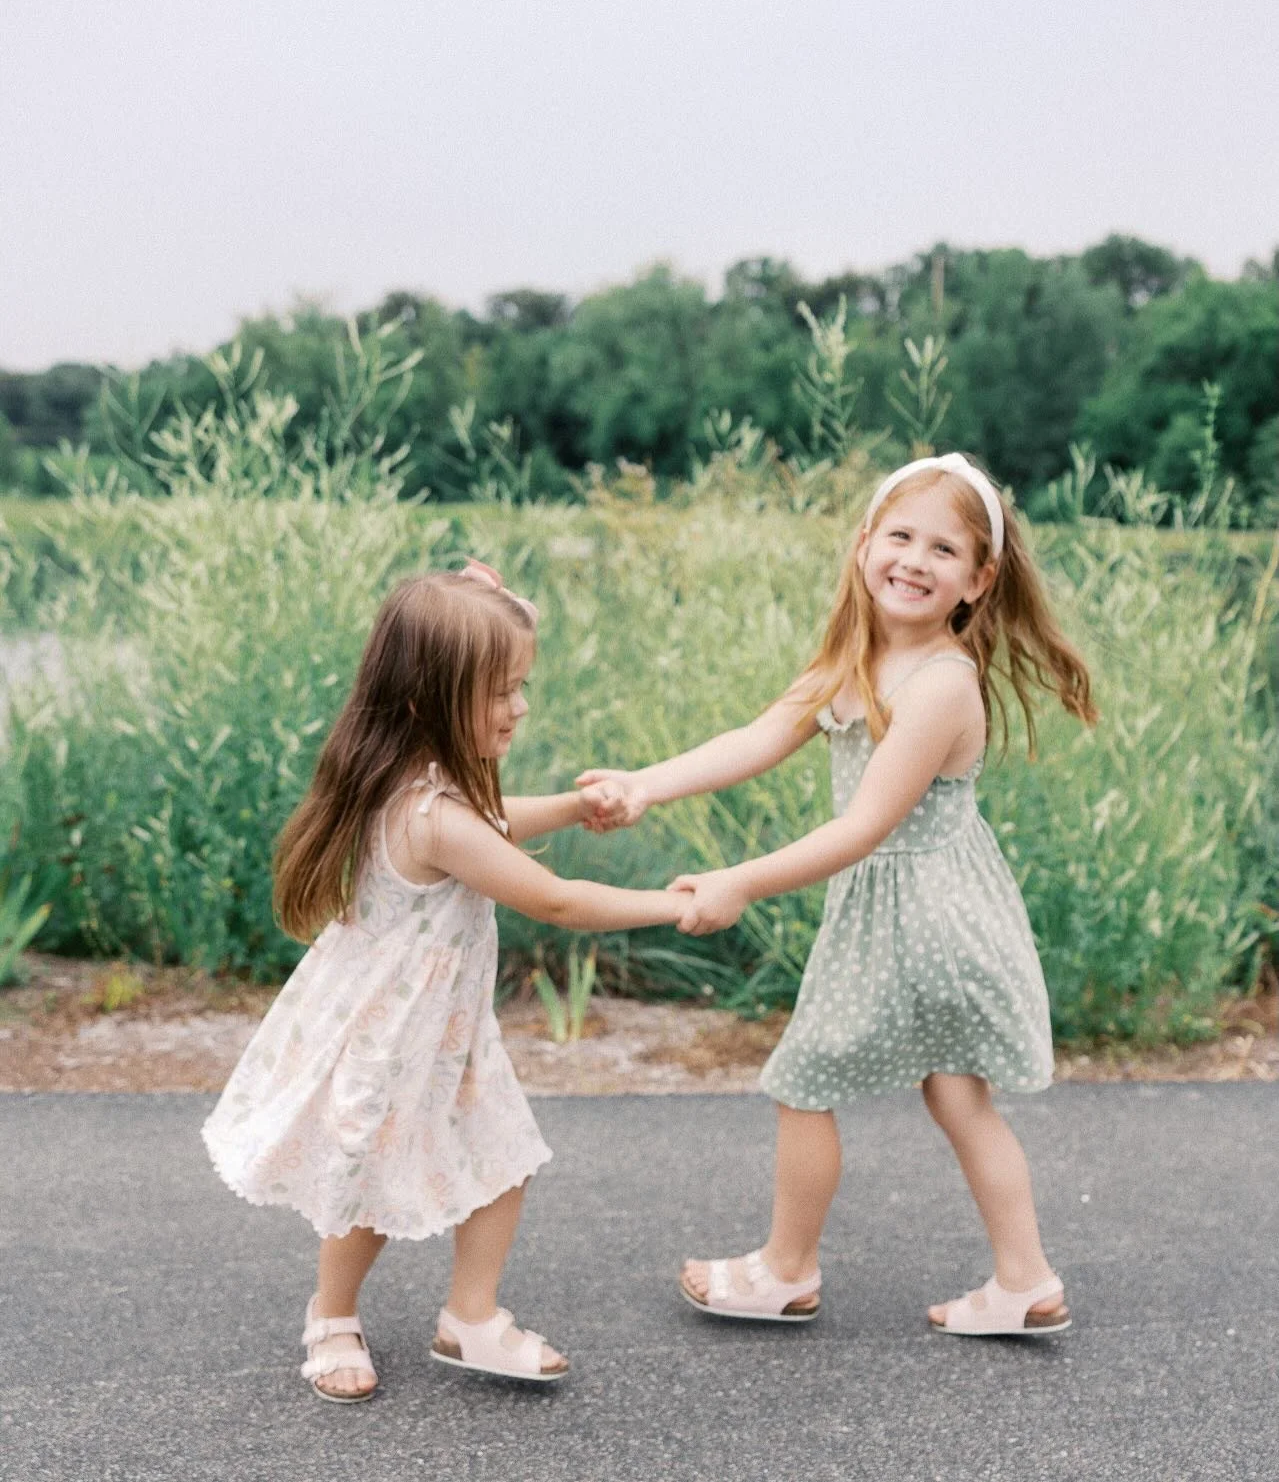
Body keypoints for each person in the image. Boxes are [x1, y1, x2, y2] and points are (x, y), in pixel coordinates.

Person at [579, 454, 1096, 1337]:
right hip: (923, 913)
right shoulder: (863, 656)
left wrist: (738, 879)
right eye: (899, 536)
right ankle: (1026, 1279)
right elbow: (758, 735)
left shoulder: (939, 682)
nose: (913, 559)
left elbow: (862, 829)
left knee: (805, 1081)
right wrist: (645, 783)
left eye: (943, 549)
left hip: (921, 918)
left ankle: (786, 1270)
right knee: (956, 1095)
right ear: (863, 545)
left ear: (978, 579)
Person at [203, 562, 690, 1401]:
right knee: (363, 1180)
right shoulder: (429, 813)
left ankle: (471, 1316)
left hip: (444, 1032)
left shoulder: (426, 785)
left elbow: (496, 824)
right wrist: (676, 901)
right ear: (430, 696)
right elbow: (555, 898)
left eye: (521, 685)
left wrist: (575, 807)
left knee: (501, 1158)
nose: (520, 707)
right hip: (392, 1034)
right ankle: (331, 1314)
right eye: (501, 690)